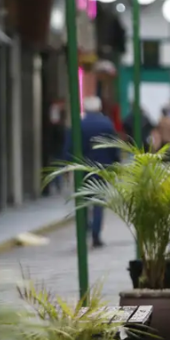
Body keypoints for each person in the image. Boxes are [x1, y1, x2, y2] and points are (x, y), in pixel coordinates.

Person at [65, 96, 119, 248]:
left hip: (82, 169)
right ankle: (96, 234)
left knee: (82, 201)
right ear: (99, 108)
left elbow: (69, 146)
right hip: (102, 168)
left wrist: (67, 166)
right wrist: (115, 164)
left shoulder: (79, 124)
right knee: (98, 202)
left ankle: (83, 231)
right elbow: (114, 146)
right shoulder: (107, 124)